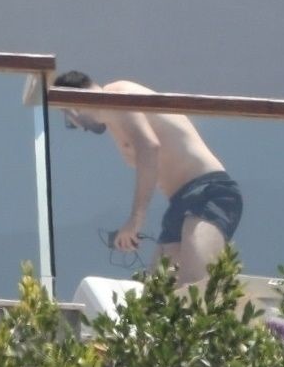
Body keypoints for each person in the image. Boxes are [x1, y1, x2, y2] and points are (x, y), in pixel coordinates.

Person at [53, 71, 243, 286]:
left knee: (194, 286)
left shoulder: (116, 96)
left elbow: (148, 147)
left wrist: (135, 220)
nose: (78, 126)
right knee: (159, 293)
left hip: (209, 192)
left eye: (68, 118)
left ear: (74, 108)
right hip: (179, 201)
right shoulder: (114, 118)